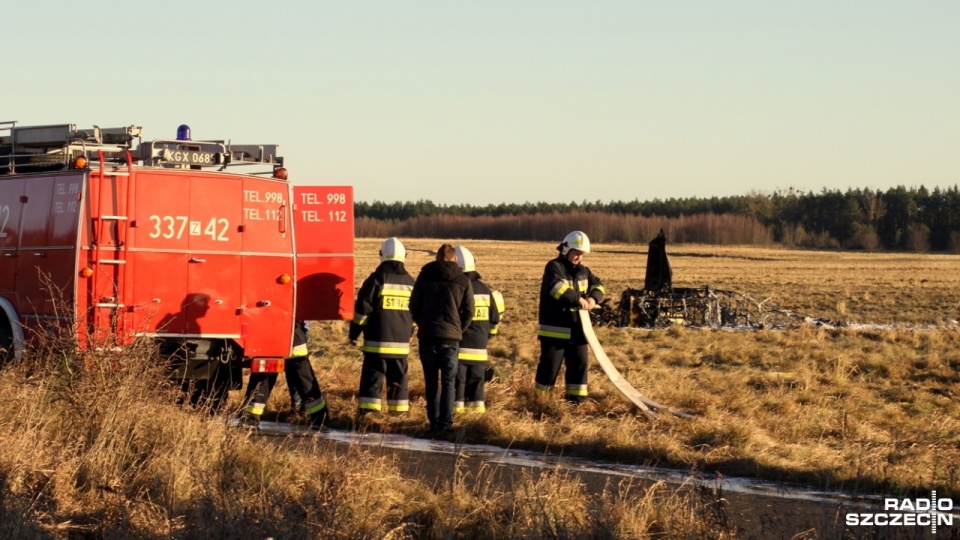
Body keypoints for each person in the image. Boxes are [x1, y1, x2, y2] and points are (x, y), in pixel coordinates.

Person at [534, 231, 605, 404]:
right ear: (566, 249)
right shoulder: (553, 267)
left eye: (582, 255)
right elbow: (556, 287)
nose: (578, 258)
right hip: (555, 332)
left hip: (578, 331)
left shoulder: (584, 271)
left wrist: (592, 298)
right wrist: (577, 299)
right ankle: (541, 402)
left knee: (579, 367)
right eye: (576, 253)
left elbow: (599, 285)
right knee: (549, 369)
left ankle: (577, 402)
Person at [409, 243, 474, 433]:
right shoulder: (463, 280)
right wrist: (457, 329)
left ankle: (433, 422)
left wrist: (423, 324)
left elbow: (413, 305)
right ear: (455, 259)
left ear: (437, 258)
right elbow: (469, 311)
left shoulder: (424, 275)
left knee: (431, 382)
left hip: (427, 337)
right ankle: (445, 425)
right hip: (451, 339)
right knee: (449, 382)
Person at [349, 237, 416, 415]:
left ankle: (369, 414)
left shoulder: (376, 280)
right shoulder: (411, 283)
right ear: (404, 256)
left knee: (373, 377)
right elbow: (416, 313)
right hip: (401, 344)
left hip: (376, 343)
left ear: (381, 255)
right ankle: (399, 414)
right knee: (399, 379)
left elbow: (363, 311)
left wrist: (354, 333)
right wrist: (411, 332)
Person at [241, 320, 329, 428]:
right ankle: (320, 419)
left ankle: (250, 419)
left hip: (269, 333)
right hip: (293, 335)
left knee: (263, 377)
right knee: (304, 379)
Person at [453, 246, 501, 414]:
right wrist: (487, 337)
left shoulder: (457, 288)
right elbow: (495, 318)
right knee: (477, 384)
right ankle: (477, 417)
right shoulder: (484, 289)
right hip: (479, 349)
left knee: (458, 383)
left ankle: (456, 416)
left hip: (459, 347)